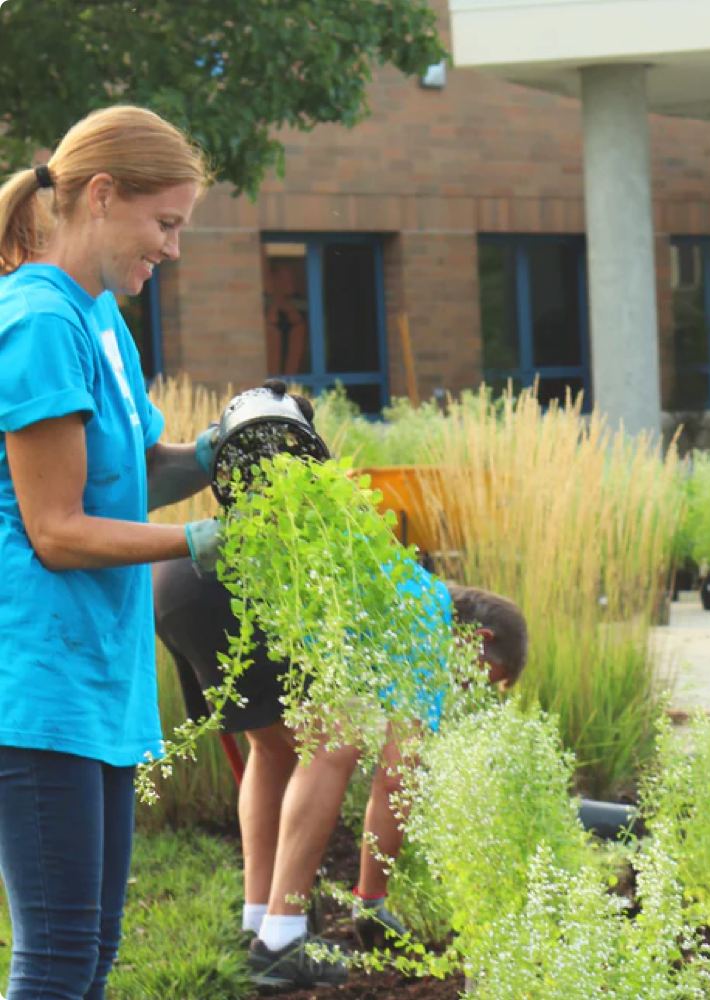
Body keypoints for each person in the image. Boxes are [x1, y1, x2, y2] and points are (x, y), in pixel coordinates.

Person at [0, 105, 226, 1000]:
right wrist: (208, 539)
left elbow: (126, 476)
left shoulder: (98, 318)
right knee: (56, 956)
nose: (171, 249)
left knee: (89, 951)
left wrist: (219, 452)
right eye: (164, 224)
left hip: (99, 674)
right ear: (101, 195)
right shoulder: (36, 323)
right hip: (38, 681)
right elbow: (57, 531)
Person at [152, 549, 528, 990]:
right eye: (478, 675)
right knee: (340, 735)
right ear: (476, 638)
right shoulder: (427, 616)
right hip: (233, 584)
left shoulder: (400, 585)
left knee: (272, 748)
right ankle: (282, 943)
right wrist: (371, 901)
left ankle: (259, 927)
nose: (462, 686)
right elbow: (395, 780)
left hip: (180, 574)